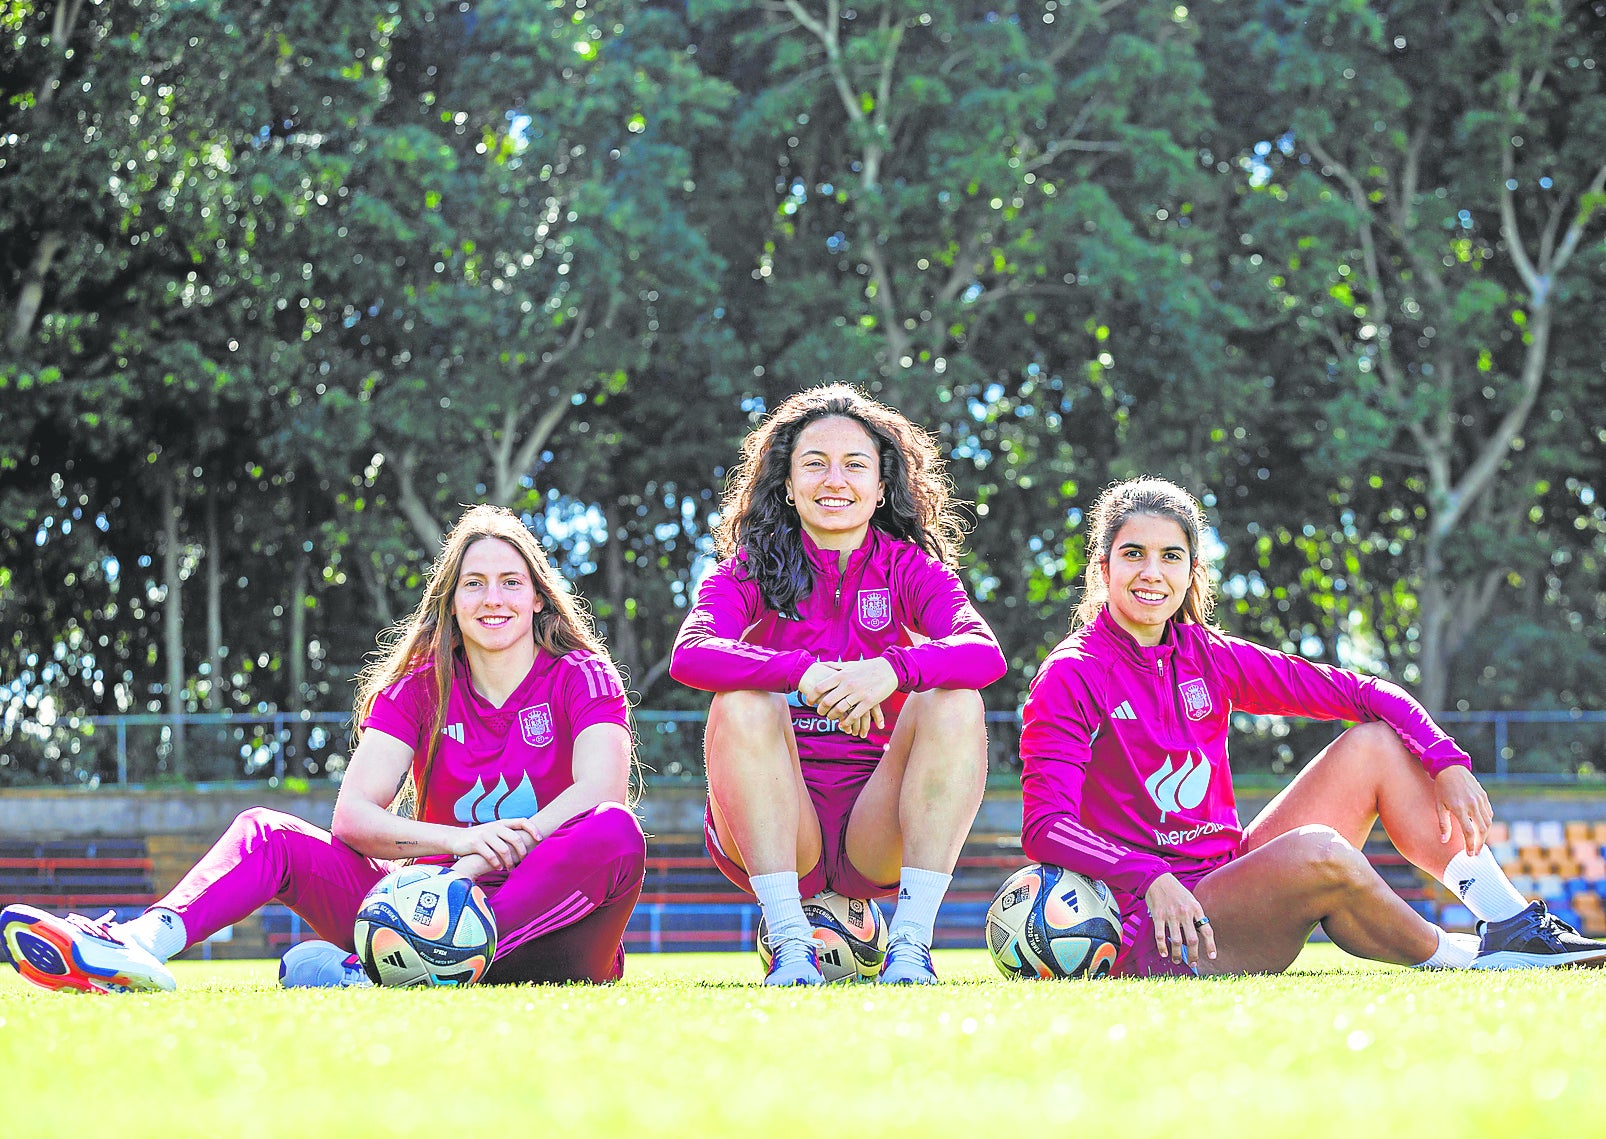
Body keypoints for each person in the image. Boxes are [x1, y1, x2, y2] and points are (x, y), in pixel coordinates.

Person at [1, 505, 646, 993]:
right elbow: (354, 819)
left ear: (537, 598)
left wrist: (501, 849)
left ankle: (383, 972)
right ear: (450, 604)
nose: (493, 599)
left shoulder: (581, 674)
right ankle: (139, 943)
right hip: (423, 908)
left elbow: (601, 793)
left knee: (616, 832)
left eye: (510, 582)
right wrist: (458, 848)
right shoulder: (420, 689)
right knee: (268, 833)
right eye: (473, 584)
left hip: (557, 938)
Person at [1019, 476, 1606, 977]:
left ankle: (1510, 923)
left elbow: (1363, 691)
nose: (1152, 572)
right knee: (1317, 851)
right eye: (1133, 554)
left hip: (1230, 880)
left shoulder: (1209, 656)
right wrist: (1147, 877)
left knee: (1376, 742)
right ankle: (1472, 960)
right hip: (1157, 922)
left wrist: (1444, 759)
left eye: (1171, 556)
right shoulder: (1073, 674)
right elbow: (1046, 827)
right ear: (1103, 567)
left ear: (1192, 571)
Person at [671, 384, 1007, 985]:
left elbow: (984, 653)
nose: (835, 481)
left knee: (955, 699)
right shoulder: (750, 567)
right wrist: (802, 674)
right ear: (788, 483)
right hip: (777, 823)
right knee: (744, 699)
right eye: (815, 464)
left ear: (882, 488)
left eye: (855, 466)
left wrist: (891, 671)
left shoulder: (910, 568)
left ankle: (910, 948)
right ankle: (791, 947)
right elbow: (691, 653)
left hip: (874, 831)